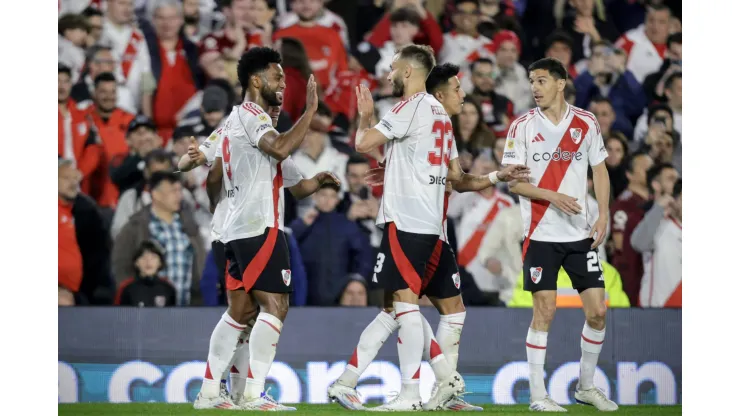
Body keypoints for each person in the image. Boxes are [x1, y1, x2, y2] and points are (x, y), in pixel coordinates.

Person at [329, 60, 528, 411]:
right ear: (438, 91)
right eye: (457, 88)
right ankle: (414, 391)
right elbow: (367, 144)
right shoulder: (422, 109)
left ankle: (434, 390)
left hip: (432, 231)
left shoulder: (440, 124)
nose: (463, 95)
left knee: (442, 311)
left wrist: (498, 176)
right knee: (402, 307)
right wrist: (372, 129)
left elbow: (459, 180)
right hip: (410, 225)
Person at [182, 46, 336, 411]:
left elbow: (295, 184)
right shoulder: (251, 116)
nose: (284, 84)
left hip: (240, 229)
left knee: (242, 312)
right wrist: (310, 111)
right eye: (277, 76)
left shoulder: (246, 125)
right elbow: (279, 149)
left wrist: (321, 181)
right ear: (256, 80)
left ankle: (209, 392)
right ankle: (252, 393)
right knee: (276, 305)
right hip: (257, 226)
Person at [502, 57, 617, 411]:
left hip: (580, 233)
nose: (534, 88)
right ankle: (539, 395)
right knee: (545, 310)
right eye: (532, 81)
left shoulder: (586, 122)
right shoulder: (521, 126)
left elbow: (600, 171)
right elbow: (514, 185)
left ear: (560, 83)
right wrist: (551, 196)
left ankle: (585, 386)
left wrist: (604, 214)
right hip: (540, 233)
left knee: (598, 310)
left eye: (540, 81)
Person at [610, 154, 655, 306]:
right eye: (644, 169)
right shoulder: (624, 204)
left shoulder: (654, 202)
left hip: (649, 271)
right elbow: (620, 244)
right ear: (629, 174)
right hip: (631, 274)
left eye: (652, 168)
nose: (650, 172)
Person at [631, 179, 682, 308]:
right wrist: (657, 209)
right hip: (657, 311)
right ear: (675, 201)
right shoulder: (659, 226)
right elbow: (638, 243)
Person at [114, 239, 177, 307]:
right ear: (136, 263)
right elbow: (118, 315)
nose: (148, 262)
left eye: (153, 257)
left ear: (160, 263)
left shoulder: (168, 288)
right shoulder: (126, 288)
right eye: (143, 257)